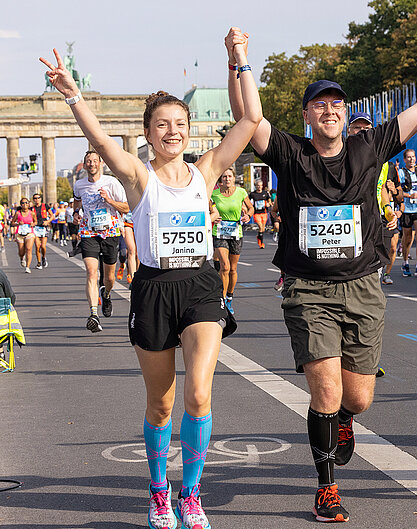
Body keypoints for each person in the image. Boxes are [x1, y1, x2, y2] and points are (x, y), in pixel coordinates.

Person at [228, 26, 417, 521]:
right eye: (320, 105)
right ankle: (326, 486)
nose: (330, 111)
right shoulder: (290, 153)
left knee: (358, 398)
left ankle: (344, 420)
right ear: (307, 115)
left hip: (363, 285)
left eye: (337, 105)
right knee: (324, 392)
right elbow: (250, 117)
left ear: (345, 114)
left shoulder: (367, 149)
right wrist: (239, 59)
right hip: (308, 288)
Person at [42, 25, 259, 529]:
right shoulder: (139, 177)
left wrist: (239, 57)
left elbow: (250, 117)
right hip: (154, 290)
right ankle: (159, 491)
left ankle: (191, 495)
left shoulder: (207, 171)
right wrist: (74, 95)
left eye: (178, 123)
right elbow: (98, 138)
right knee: (161, 404)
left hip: (201, 286)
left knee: (199, 394)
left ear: (187, 129)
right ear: (147, 132)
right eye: (161, 125)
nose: (171, 131)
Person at [70, 151, 129, 332]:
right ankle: (93, 314)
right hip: (89, 232)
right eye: (88, 161)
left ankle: (107, 294)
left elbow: (126, 207)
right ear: (85, 165)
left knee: (109, 277)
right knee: (91, 272)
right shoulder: (79, 185)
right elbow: (77, 202)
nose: (92, 164)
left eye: (94, 161)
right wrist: (75, 214)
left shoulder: (111, 183)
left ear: (101, 163)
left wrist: (109, 199)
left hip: (110, 232)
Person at [348, 111, 402, 286]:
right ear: (348, 131)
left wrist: (388, 210)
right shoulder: (340, 154)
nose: (362, 131)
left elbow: (381, 190)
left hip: (375, 221)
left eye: (366, 128)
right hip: (351, 223)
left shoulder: (383, 161)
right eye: (357, 128)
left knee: (374, 273)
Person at [211, 167, 252, 314]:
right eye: (224, 177)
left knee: (233, 269)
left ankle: (229, 296)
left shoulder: (241, 192)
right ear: (220, 180)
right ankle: (221, 300)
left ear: (234, 178)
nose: (227, 179)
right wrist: (213, 218)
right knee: (225, 266)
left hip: (236, 233)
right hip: (220, 232)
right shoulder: (214, 194)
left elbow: (251, 208)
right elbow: (208, 209)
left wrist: (248, 216)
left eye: (229, 176)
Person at [398, 149, 417, 277]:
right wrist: (409, 195)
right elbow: (398, 192)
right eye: (409, 157)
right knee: (407, 238)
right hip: (407, 209)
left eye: (413, 157)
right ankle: (405, 263)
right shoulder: (401, 172)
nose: (412, 159)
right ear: (405, 160)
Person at [12, 199, 36, 273]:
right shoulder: (18, 213)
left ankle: (28, 267)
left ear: (29, 204)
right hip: (20, 234)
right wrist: (18, 224)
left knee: (29, 249)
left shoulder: (32, 213)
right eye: (23, 203)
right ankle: (22, 258)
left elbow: (35, 221)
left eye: (26, 203)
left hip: (29, 233)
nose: (25, 204)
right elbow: (12, 222)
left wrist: (33, 224)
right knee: (21, 251)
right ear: (21, 204)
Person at [30, 193, 52, 269]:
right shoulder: (32, 208)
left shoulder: (45, 206)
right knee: (37, 246)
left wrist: (48, 221)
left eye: (38, 198)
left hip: (44, 227)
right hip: (36, 228)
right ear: (33, 200)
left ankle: (43, 257)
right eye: (35, 198)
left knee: (43, 246)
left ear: (40, 199)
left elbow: (52, 216)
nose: (37, 200)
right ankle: (39, 262)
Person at [248, 178, 272, 248]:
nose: (259, 187)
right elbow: (248, 201)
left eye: (260, 185)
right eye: (258, 185)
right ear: (255, 186)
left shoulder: (265, 193)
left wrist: (268, 204)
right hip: (256, 213)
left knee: (263, 229)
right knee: (260, 227)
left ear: (262, 186)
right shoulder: (253, 194)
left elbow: (269, 200)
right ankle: (261, 244)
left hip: (264, 212)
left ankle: (259, 236)